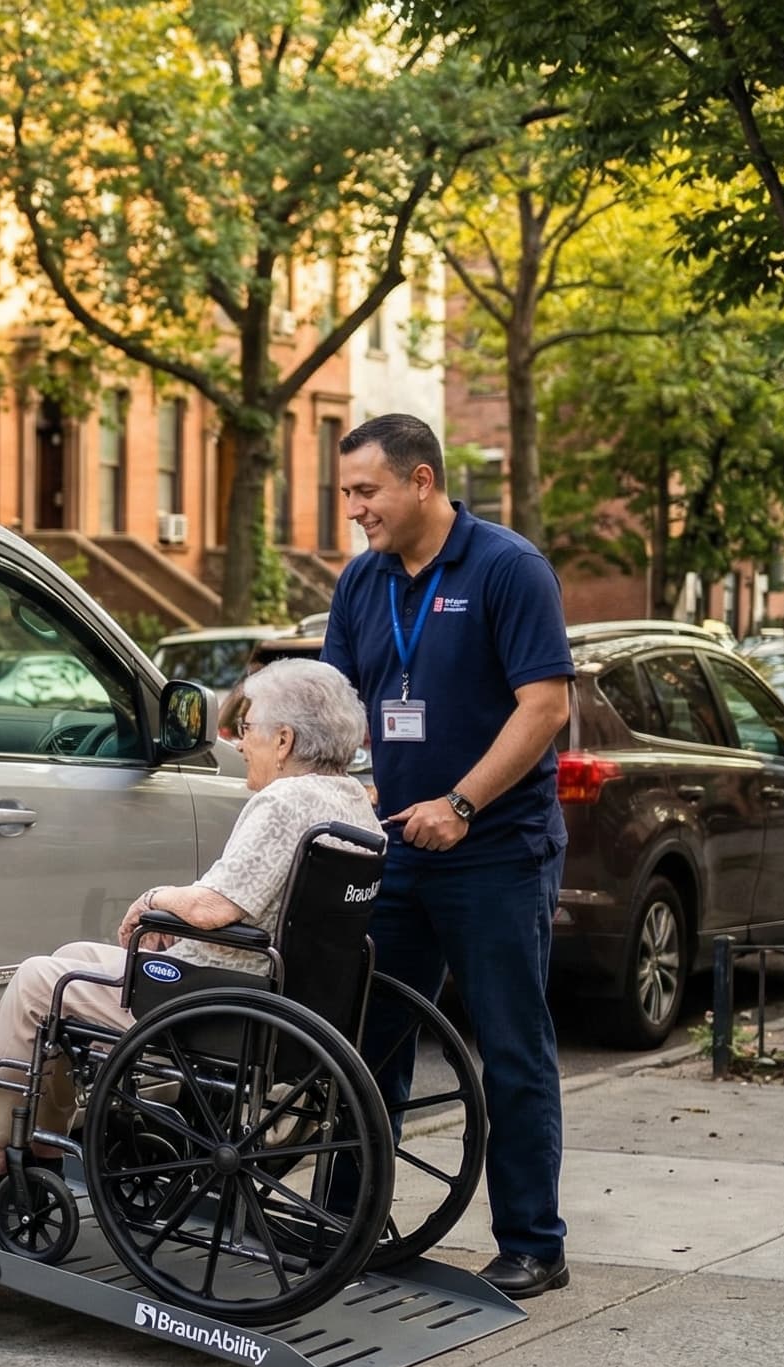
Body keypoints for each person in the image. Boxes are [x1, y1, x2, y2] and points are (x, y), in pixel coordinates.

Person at [0, 658, 376, 1201]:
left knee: (38, 982)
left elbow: (215, 909)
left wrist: (152, 902)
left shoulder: (283, 800)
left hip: (215, 999)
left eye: (248, 729)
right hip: (285, 999)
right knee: (72, 956)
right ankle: (44, 1146)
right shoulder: (351, 800)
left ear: (284, 740)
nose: (240, 744)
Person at [322, 413, 575, 1299]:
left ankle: (534, 1243)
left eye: (366, 492)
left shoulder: (508, 569)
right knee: (363, 1041)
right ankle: (342, 1227)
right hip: (391, 851)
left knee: (511, 1045)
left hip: (495, 852)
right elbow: (342, 713)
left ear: (421, 481)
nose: (353, 510)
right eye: (346, 493)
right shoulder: (363, 582)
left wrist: (463, 803)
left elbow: (544, 707)